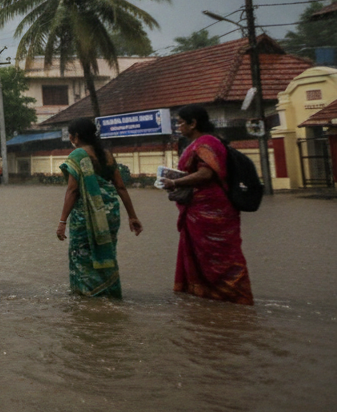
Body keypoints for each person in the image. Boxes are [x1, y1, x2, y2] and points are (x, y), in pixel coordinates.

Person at [162, 104, 254, 305]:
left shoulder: (206, 143)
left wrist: (175, 183)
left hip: (212, 210)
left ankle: (236, 298)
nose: (178, 127)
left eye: (180, 123)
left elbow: (206, 174)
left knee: (220, 257)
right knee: (203, 255)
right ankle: (207, 299)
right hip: (198, 208)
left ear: (193, 123)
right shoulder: (199, 143)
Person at [57, 118, 143, 298]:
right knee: (106, 253)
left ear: (75, 136)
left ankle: (87, 296)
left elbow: (72, 190)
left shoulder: (77, 155)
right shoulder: (107, 155)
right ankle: (109, 294)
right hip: (110, 213)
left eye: (71, 135)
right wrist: (132, 216)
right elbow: (120, 187)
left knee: (82, 256)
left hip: (86, 215)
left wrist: (62, 221)